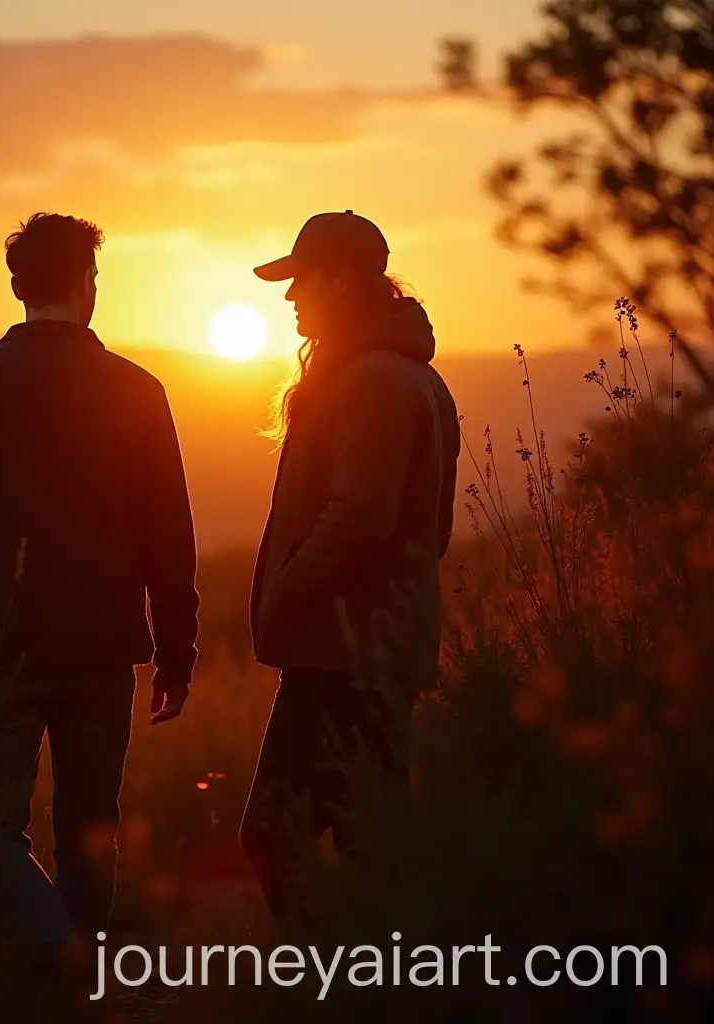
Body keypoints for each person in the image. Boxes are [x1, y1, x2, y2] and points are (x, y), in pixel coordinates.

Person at [0, 212, 199, 977]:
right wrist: (175, 651)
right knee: (90, 828)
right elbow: (170, 534)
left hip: (0, 644)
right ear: (84, 284)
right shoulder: (137, 390)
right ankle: (78, 972)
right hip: (103, 648)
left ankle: (52, 959)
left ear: (16, 285)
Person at [239, 210, 460, 921]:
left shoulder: (374, 384)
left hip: (345, 654)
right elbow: (435, 532)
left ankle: (330, 987)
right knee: (372, 842)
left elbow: (361, 519)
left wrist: (286, 597)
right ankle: (380, 989)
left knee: (276, 835)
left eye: (301, 279)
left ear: (340, 280)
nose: (290, 296)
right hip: (367, 649)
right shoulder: (397, 378)